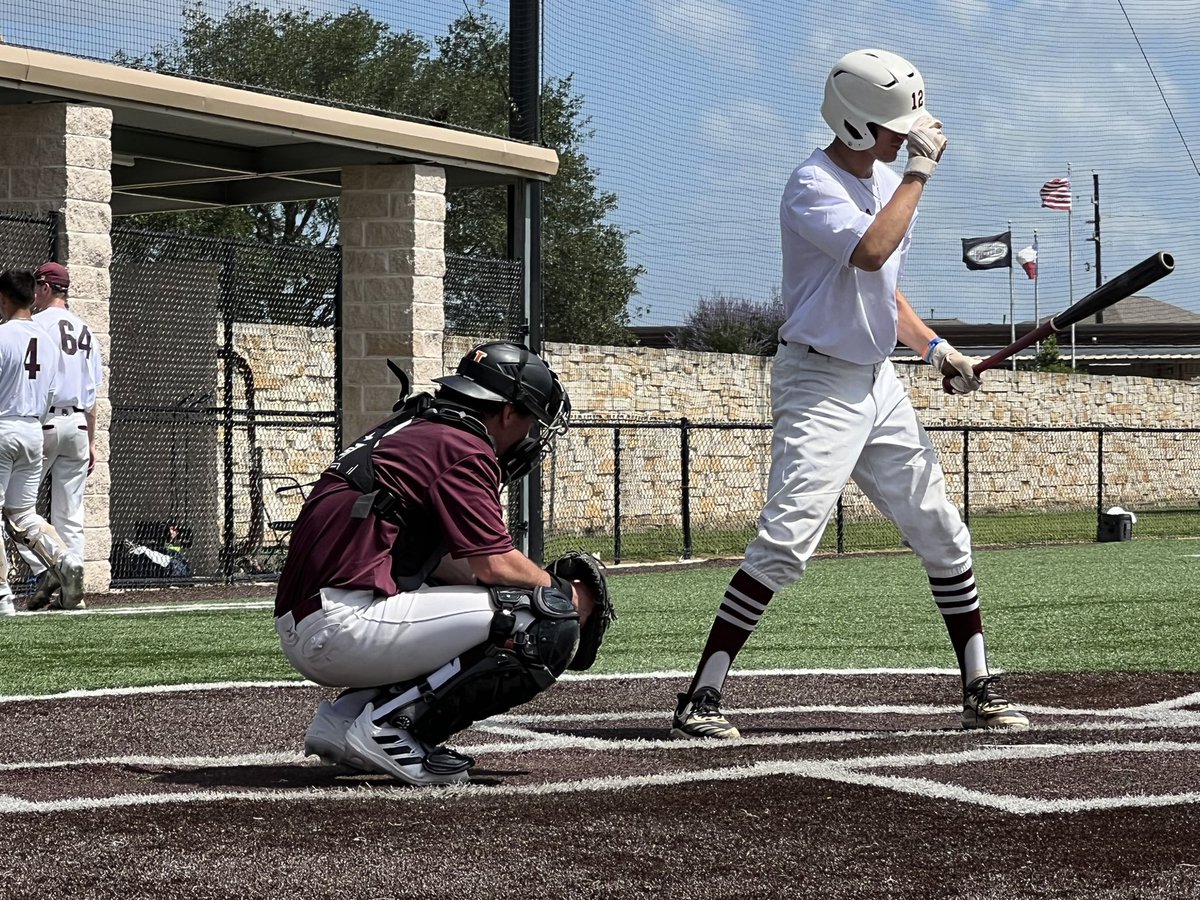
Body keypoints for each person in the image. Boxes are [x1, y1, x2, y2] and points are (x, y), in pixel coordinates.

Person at [670, 49, 1028, 739]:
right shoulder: (813, 184)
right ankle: (701, 697)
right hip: (819, 384)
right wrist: (919, 174)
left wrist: (935, 348)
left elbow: (881, 289)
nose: (908, 138)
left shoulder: (889, 181)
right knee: (785, 544)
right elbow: (868, 251)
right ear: (856, 123)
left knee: (944, 533)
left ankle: (979, 686)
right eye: (897, 128)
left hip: (878, 381)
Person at [274, 341, 613, 785]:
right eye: (531, 419)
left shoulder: (417, 427)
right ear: (509, 412)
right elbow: (494, 564)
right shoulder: (463, 445)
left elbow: (454, 567)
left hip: (319, 618)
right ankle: (390, 728)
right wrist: (564, 595)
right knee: (541, 618)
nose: (531, 435)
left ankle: (344, 718)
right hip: (343, 623)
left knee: (509, 602)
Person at [18, 262, 104, 610]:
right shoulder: (86, 331)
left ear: (45, 288)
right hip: (79, 425)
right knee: (71, 512)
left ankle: (50, 569)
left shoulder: (33, 325)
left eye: (37, 286)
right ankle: (73, 587)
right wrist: (93, 439)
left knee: (16, 508)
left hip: (43, 424)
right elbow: (94, 393)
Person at [0, 270, 85, 617]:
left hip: (3, 427)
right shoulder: (48, 343)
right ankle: (65, 559)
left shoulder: (2, 336)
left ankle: (2, 595)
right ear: (33, 297)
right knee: (22, 514)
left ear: (4, 298)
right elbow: (50, 392)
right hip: (35, 431)